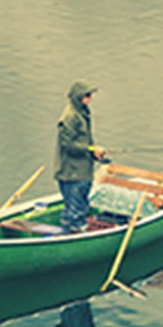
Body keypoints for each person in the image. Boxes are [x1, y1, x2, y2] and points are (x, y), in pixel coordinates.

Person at [54, 81, 108, 233]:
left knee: (79, 204)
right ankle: (75, 233)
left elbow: (84, 142)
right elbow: (68, 145)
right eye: (87, 95)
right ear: (79, 97)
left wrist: (94, 153)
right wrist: (91, 149)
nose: (90, 98)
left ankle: (68, 230)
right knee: (76, 208)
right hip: (73, 173)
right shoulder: (70, 117)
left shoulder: (82, 112)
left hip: (82, 170)